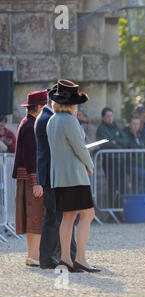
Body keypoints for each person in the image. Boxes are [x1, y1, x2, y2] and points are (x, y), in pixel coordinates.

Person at [47, 79, 99, 273]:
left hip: (59, 177)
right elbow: (80, 147)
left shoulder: (52, 120)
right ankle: (80, 258)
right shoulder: (70, 120)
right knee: (88, 214)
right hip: (75, 176)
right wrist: (90, 164)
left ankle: (65, 258)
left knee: (68, 217)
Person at [36, 86, 77, 269]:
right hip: (53, 174)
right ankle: (64, 257)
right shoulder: (48, 118)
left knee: (55, 218)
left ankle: (53, 256)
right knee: (59, 218)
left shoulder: (46, 117)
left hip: (51, 173)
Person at [12, 90, 46, 267]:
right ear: (39, 107)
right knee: (35, 218)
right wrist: (36, 182)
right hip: (31, 180)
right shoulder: (31, 126)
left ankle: (33, 255)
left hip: (26, 180)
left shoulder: (26, 122)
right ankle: (34, 256)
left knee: (34, 218)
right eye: (45, 107)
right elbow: (31, 158)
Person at [96, 107, 128, 208]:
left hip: (120, 160)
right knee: (112, 186)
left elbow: (126, 141)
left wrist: (115, 141)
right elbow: (105, 144)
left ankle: (119, 209)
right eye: (108, 116)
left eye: (111, 116)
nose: (110, 118)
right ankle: (111, 210)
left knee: (122, 186)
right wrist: (115, 142)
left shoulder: (116, 127)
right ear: (103, 117)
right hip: (109, 161)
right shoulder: (101, 129)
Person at [122, 114, 145, 194]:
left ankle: (136, 200)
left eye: (137, 124)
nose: (135, 126)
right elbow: (129, 147)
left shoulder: (141, 135)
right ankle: (138, 196)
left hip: (142, 165)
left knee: (136, 186)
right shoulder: (125, 135)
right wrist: (133, 137)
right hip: (131, 165)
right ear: (129, 124)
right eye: (134, 123)